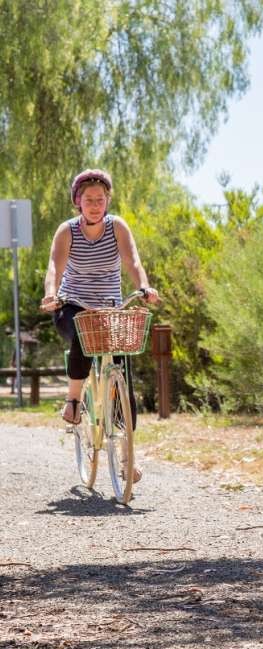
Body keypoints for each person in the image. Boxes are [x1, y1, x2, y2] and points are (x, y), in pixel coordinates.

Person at [39, 169, 159, 479]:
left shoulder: (117, 227)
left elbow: (133, 261)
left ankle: (127, 457)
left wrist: (144, 287)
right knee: (81, 331)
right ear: (78, 202)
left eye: (100, 200)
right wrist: (51, 294)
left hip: (109, 309)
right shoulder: (67, 231)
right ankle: (74, 400)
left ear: (107, 201)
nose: (95, 205)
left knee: (124, 380)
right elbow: (55, 266)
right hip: (72, 305)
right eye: (88, 200)